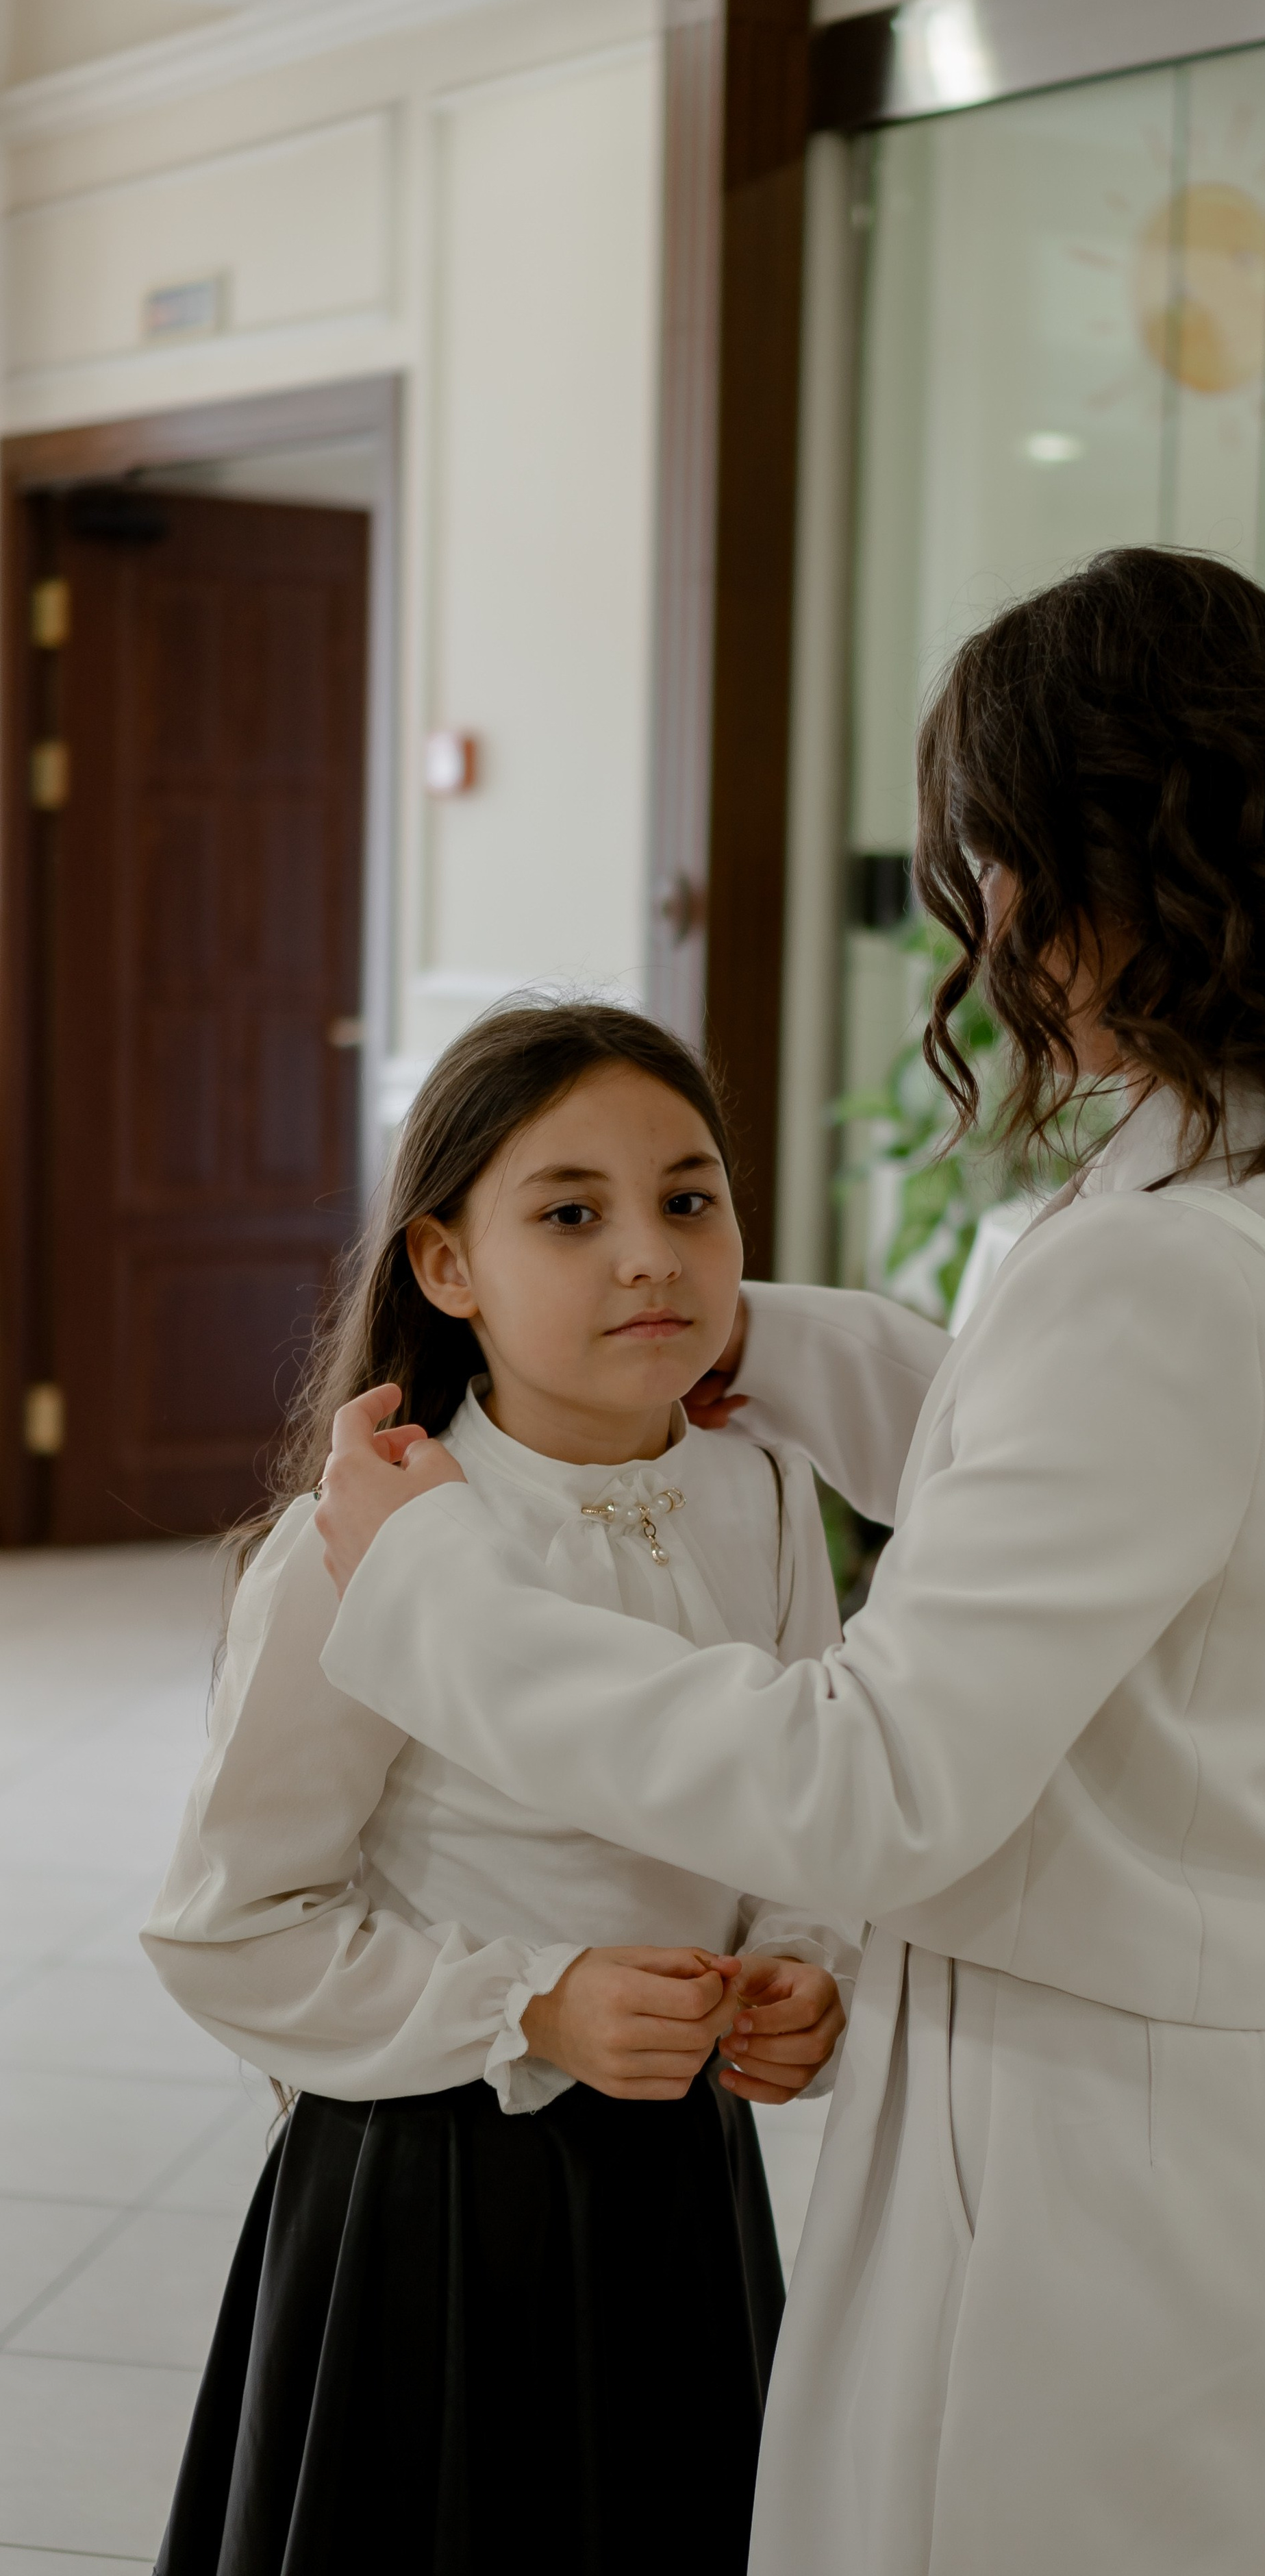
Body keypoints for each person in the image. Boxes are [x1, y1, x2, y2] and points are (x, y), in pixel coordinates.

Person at [312, 549, 1265, 2575]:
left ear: (1092, 868)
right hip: (1247, 2080)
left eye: (996, 874)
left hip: (1085, 2145)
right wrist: (775, 1344)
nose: (992, 935)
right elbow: (1125, 1487)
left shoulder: (1162, 1260)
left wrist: (433, 1592)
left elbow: (875, 1784)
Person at [142, 1001, 859, 2576]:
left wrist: (807, 1965)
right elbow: (226, 1925)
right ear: (446, 1267)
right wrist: (533, 2002)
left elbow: (802, 1795)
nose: (649, 1258)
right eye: (568, 1213)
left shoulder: (765, 1494)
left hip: (679, 2178)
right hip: (434, 2200)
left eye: (688, 1199)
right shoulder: (371, 1540)